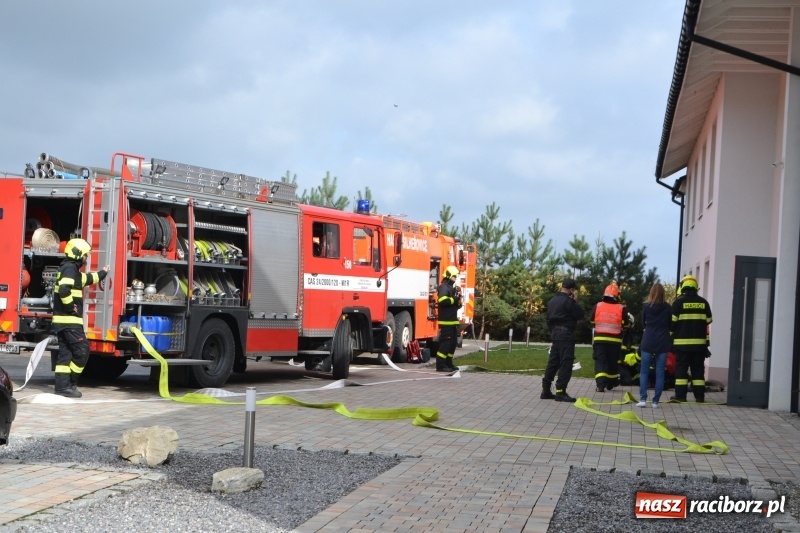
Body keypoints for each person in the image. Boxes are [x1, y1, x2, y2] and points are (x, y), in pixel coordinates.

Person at [51, 238, 110, 398]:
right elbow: (64, 290)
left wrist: (103, 273)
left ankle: (62, 387)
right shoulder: (70, 269)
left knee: (66, 353)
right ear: (78, 255)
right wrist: (72, 307)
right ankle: (70, 383)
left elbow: (87, 279)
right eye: (86, 255)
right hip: (69, 321)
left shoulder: (70, 270)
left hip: (62, 321)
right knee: (82, 350)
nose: (87, 257)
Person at [670, 275, 713, 403]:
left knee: (681, 371)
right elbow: (708, 321)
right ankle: (700, 397)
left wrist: (670, 340)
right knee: (698, 371)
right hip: (699, 345)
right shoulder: (704, 302)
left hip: (681, 345)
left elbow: (672, 324)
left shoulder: (678, 303)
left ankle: (680, 396)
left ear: (683, 287)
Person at [542, 278, 585, 402]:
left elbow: (548, 319)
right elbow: (580, 314)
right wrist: (576, 302)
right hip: (566, 334)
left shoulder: (552, 301)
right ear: (571, 290)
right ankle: (561, 392)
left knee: (553, 362)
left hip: (555, 334)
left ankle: (545, 390)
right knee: (566, 362)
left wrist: (554, 332)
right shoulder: (569, 302)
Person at [637, 283, 672, 408]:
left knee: (644, 371)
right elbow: (670, 325)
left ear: (651, 293)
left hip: (648, 340)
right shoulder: (668, 308)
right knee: (660, 372)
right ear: (663, 293)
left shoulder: (646, 307)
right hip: (663, 341)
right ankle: (655, 401)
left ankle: (642, 399)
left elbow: (643, 324)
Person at [590, 283, 630, 392]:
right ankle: (611, 383)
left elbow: (592, 321)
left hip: (599, 340)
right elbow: (626, 324)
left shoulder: (598, 306)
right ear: (617, 295)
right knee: (612, 361)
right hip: (615, 341)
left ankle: (600, 385)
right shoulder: (621, 308)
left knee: (600, 361)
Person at [435, 265, 462, 372]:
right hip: (446, 321)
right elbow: (442, 300)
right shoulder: (444, 287)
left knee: (452, 343)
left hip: (452, 321)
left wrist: (458, 301)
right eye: (454, 276)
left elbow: (455, 304)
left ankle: (448, 363)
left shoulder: (452, 288)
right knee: (446, 343)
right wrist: (454, 299)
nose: (455, 278)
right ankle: (440, 365)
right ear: (449, 275)